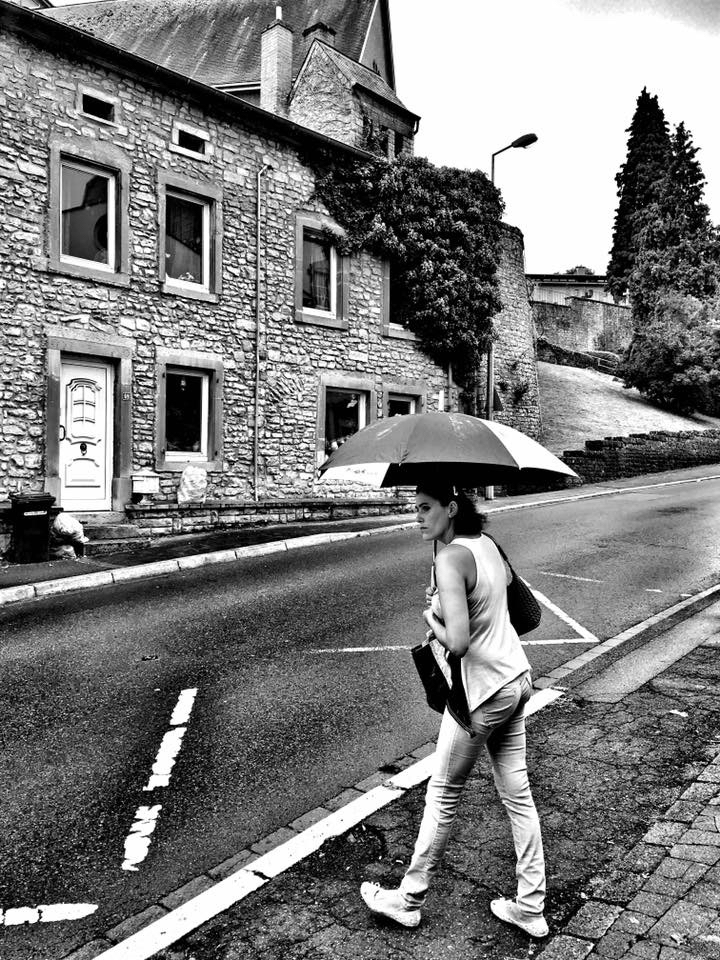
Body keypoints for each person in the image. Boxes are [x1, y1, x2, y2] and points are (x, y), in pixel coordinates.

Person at [360, 480, 548, 938]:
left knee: (442, 793)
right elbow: (499, 608)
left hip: (481, 692)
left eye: (426, 509)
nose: (417, 517)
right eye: (415, 508)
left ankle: (407, 900)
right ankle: (530, 906)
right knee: (517, 794)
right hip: (516, 680)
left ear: (451, 507)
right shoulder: (486, 545)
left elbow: (459, 643)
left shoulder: (449, 559)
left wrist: (431, 618)